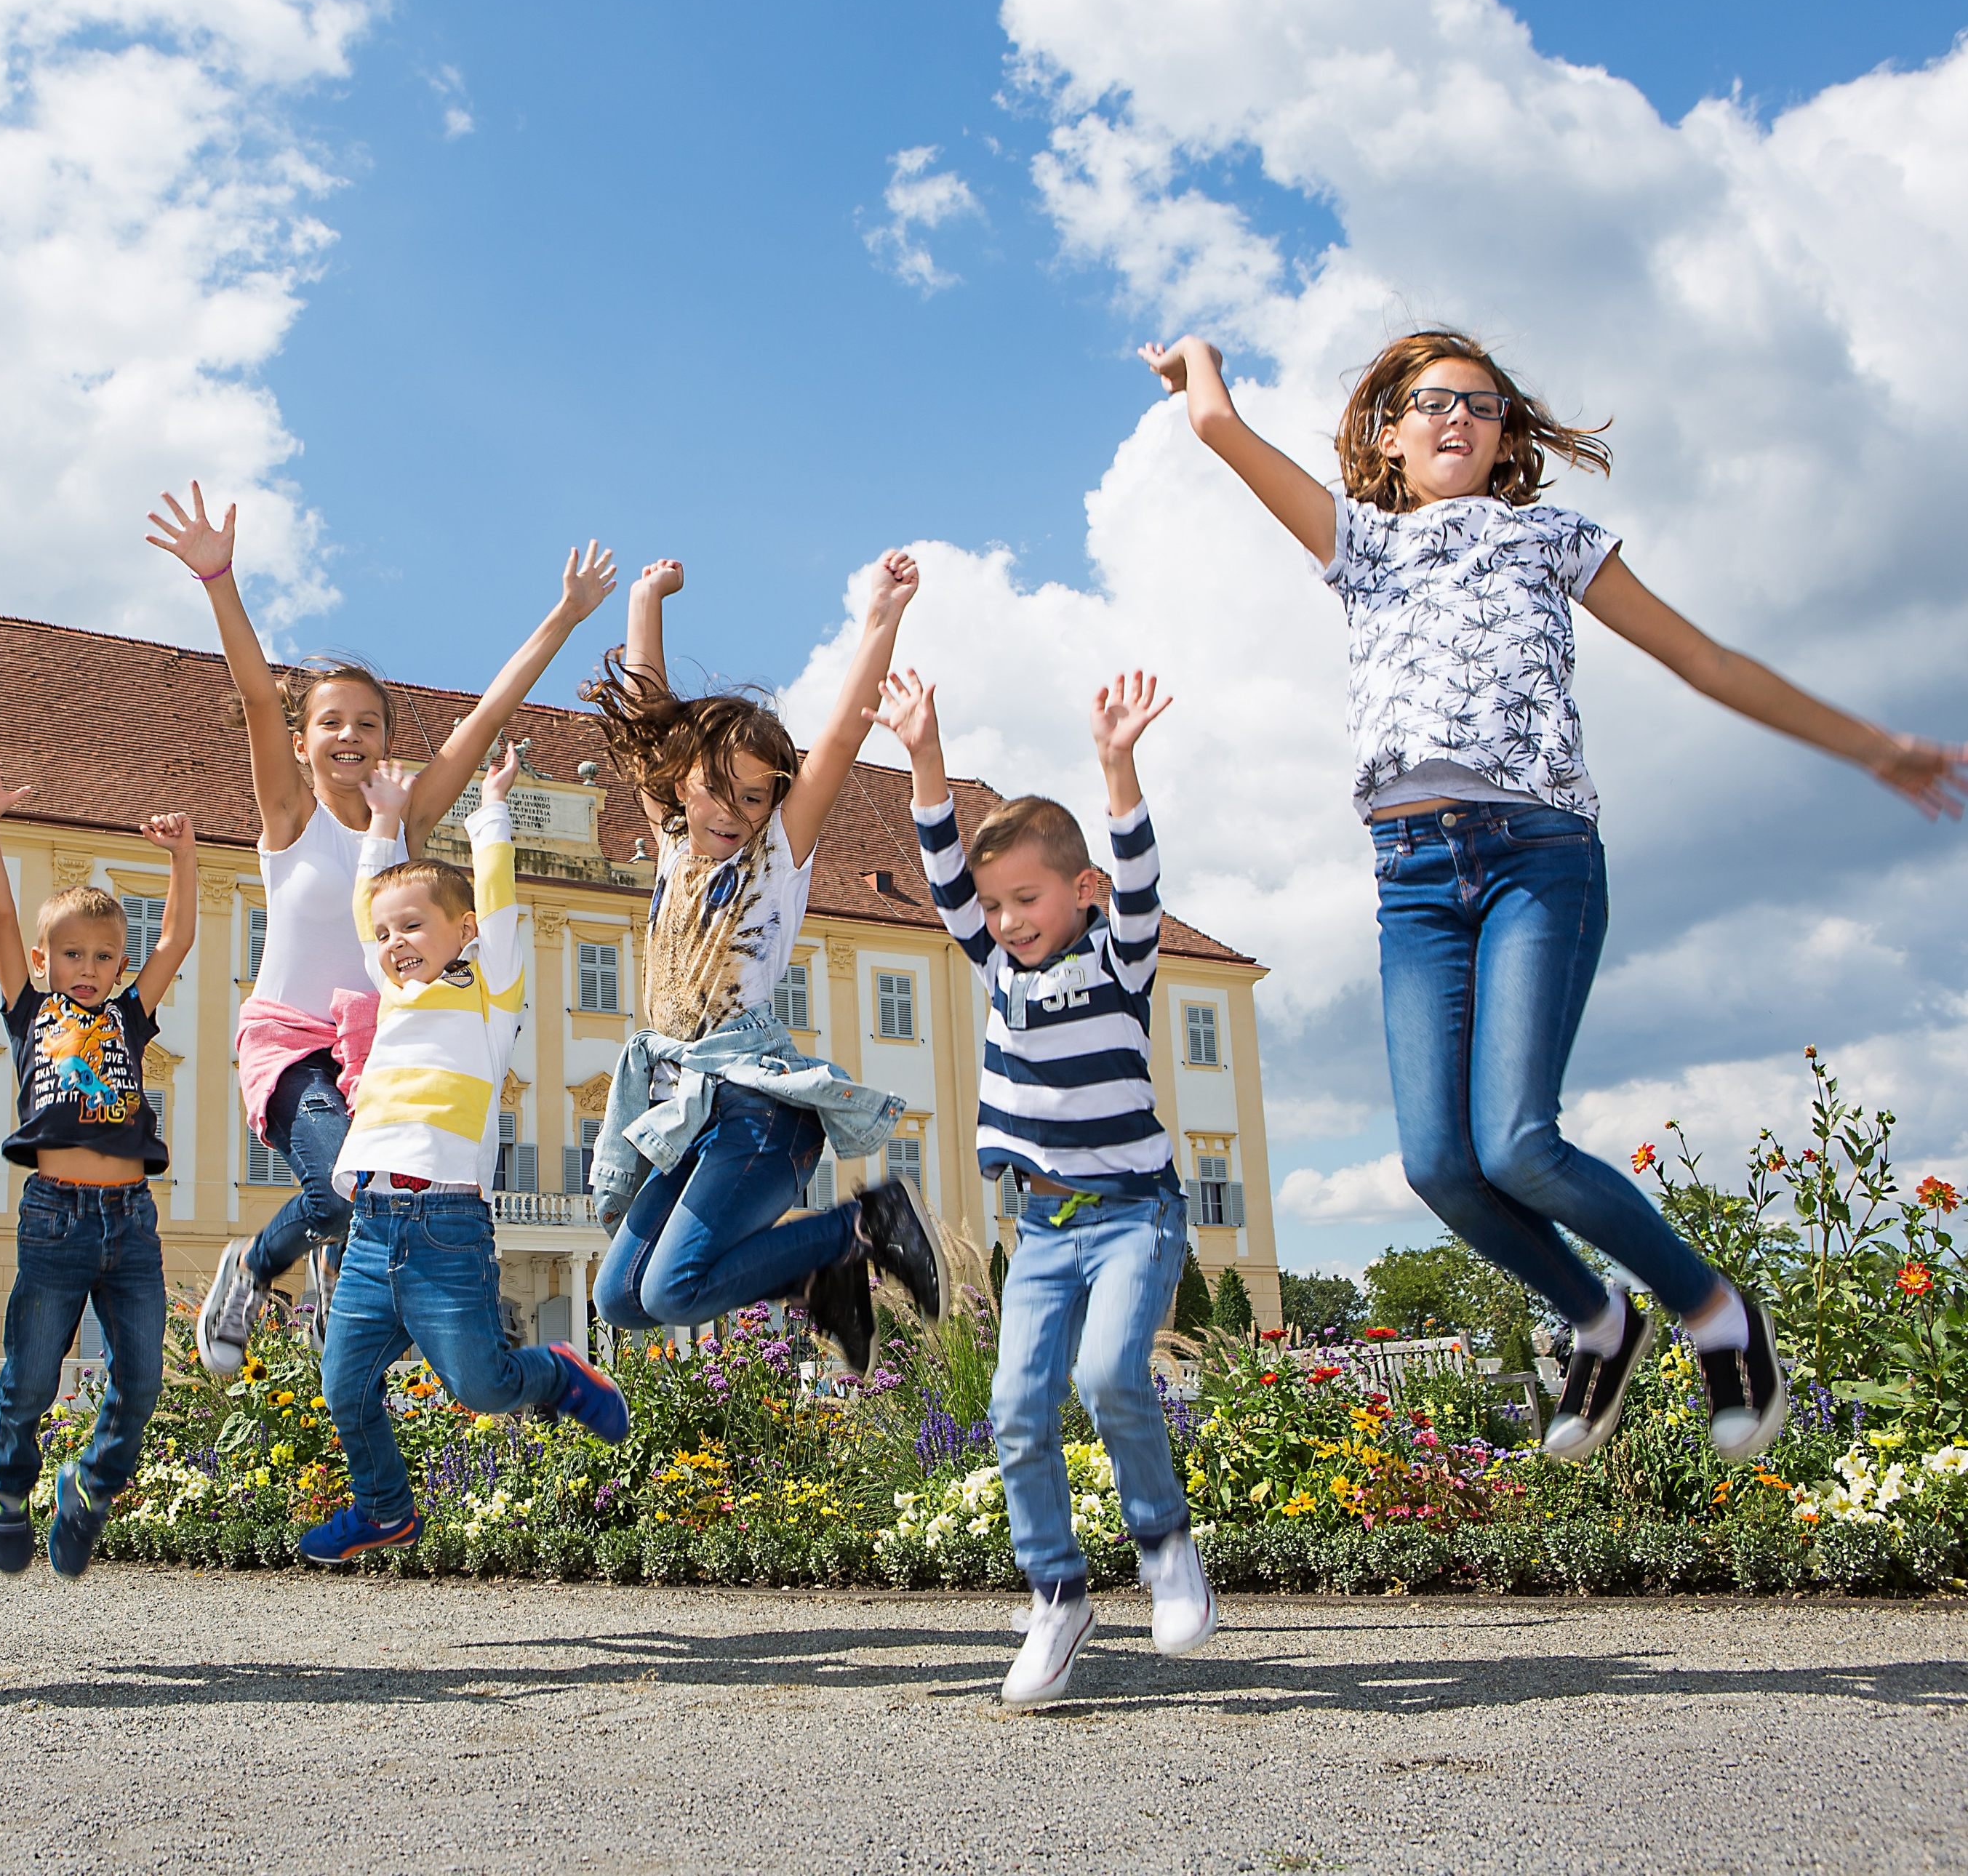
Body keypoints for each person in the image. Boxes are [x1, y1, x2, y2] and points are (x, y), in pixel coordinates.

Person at [1142, 327, 1968, 1467]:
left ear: (1506, 436)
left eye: (1482, 406)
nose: (1457, 420)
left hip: (1538, 854)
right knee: (1438, 1162)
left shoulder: (1555, 538)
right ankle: (1595, 1317)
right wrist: (1196, 363)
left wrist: (1871, 746)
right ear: (1387, 433)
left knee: (1519, 1143)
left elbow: (1703, 658)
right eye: (1431, 402)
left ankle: (1718, 1313)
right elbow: (1221, 430)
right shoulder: (1361, 543)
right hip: (1412, 878)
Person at [145, 484, 616, 1374]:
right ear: (303, 742)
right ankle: (254, 1265)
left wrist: (562, 616)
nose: (349, 736)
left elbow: (480, 724)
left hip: (377, 1049)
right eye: (330, 723)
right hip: (289, 1041)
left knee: (366, 1201)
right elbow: (253, 696)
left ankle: (329, 1294)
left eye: (367, 723)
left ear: (386, 740)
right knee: (336, 1188)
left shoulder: (402, 823)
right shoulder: (289, 815)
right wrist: (218, 580)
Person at [878, 666, 1215, 1706]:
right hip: (1042, 1228)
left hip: (1132, 1217)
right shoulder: (999, 970)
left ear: (1081, 893)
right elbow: (942, 875)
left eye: (1027, 898)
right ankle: (1057, 1594)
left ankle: (1164, 1546)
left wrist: (1117, 767)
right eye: (998, 905)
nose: (1009, 919)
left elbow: (1143, 875)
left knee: (1111, 1374)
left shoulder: (1122, 958)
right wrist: (925, 757)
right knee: (1015, 1405)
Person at [581, 554, 947, 1376]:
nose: (735, 812)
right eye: (718, 789)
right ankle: (824, 1275)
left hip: (756, 1110)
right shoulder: (675, 841)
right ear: (681, 784)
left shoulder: (775, 856)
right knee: (617, 1299)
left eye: (755, 797)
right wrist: (645, 600)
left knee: (672, 1292)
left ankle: (865, 1224)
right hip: (693, 1112)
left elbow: (847, 730)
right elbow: (646, 713)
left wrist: (881, 614)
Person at [300, 747, 630, 1563]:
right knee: (342, 1386)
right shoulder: (393, 994)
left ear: (464, 932)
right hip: (371, 1229)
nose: (394, 941)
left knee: (479, 1386)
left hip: (446, 1227)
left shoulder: (488, 996)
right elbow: (363, 909)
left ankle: (556, 1374)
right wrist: (381, 820)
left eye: (413, 926)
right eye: (386, 933)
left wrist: (491, 807)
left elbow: (500, 904)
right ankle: (385, 1510)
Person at [0, 747, 197, 1581]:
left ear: (119, 967)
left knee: (140, 1383)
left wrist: (181, 857)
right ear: (43, 962)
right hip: (56, 1216)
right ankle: (5, 1489)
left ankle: (87, 1490)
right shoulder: (29, 1013)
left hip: (133, 1224)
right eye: (72, 956)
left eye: (102, 957)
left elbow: (177, 937)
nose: (89, 970)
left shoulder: (131, 1016)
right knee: (29, 1381)